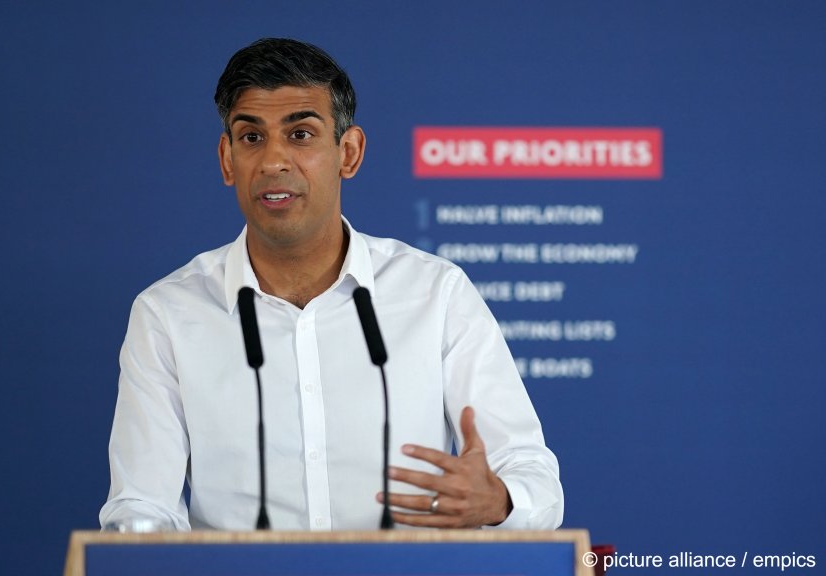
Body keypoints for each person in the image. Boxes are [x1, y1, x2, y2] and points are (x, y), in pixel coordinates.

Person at [99, 38, 563, 531]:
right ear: (227, 159)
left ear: (349, 152)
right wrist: (140, 542)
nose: (273, 161)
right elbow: (141, 507)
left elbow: (533, 479)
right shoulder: (167, 313)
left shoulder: (436, 293)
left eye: (300, 134)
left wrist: (499, 501)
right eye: (251, 137)